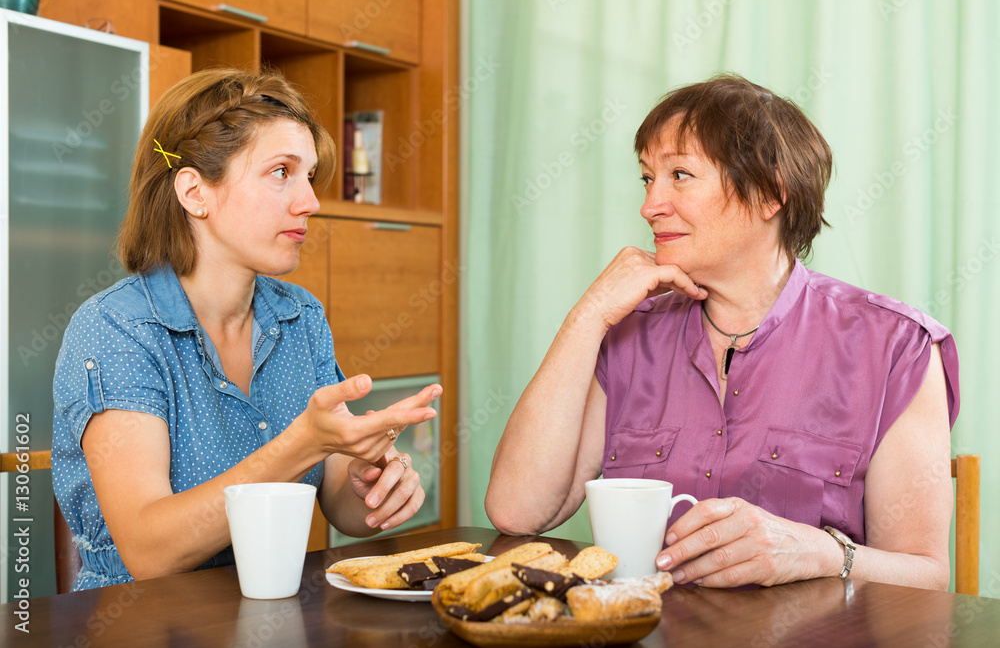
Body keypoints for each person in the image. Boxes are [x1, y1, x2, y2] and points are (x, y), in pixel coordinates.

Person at [486, 74, 959, 590]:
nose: (650, 205)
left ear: (770, 195)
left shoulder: (894, 346)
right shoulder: (624, 334)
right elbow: (518, 512)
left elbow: (926, 579)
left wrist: (822, 552)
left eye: (680, 175)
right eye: (648, 179)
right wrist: (588, 314)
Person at [52, 69, 440, 591]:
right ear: (194, 192)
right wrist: (302, 443)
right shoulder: (115, 330)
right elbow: (150, 550)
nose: (310, 201)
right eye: (281, 172)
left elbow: (339, 501)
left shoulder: (301, 316)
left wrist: (370, 482)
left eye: (308, 175)